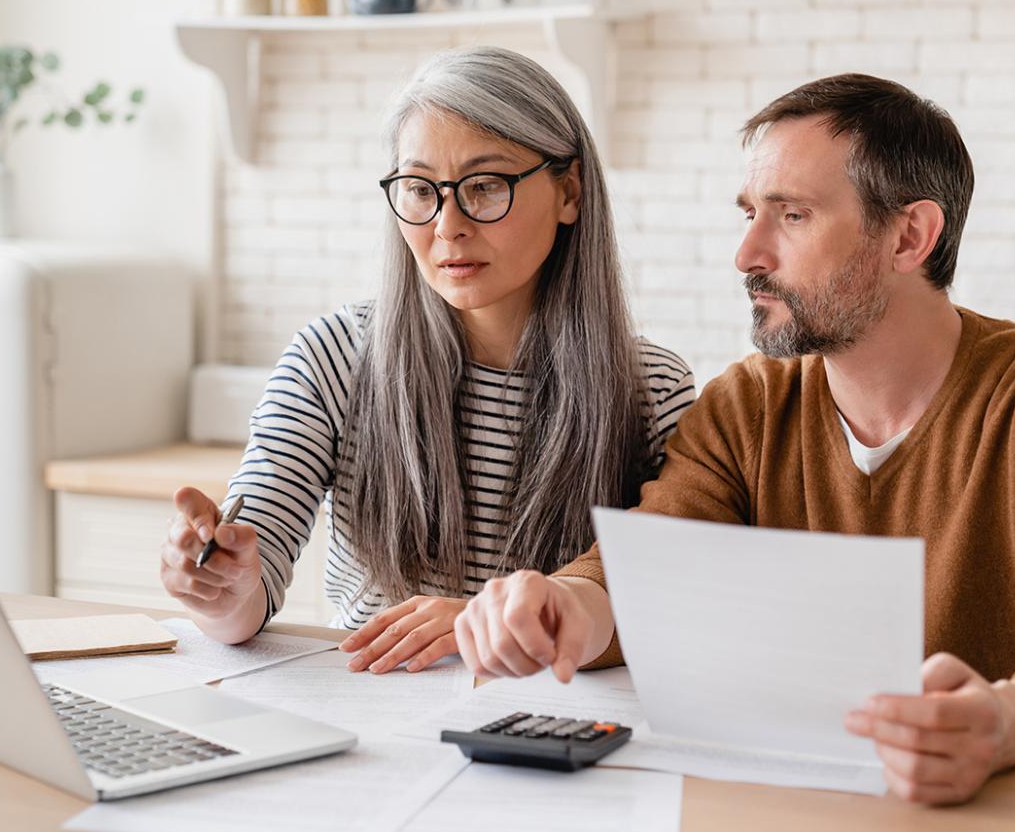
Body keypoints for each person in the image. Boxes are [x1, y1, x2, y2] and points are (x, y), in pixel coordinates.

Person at [452, 73, 1015, 805]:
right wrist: (561, 607)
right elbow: (648, 567)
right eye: (748, 215)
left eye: (793, 216)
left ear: (910, 236)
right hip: (798, 811)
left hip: (1004, 815)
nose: (747, 254)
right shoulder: (747, 405)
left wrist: (1004, 721)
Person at [156, 46, 695, 674]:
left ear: (569, 191)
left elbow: (664, 606)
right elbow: (250, 587)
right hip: (377, 711)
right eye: (419, 190)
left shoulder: (651, 388)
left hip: (559, 725)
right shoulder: (335, 355)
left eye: (486, 186)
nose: (448, 225)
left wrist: (484, 627)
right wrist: (220, 585)